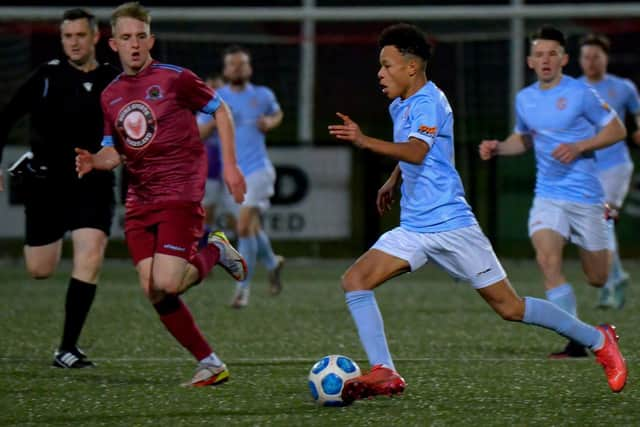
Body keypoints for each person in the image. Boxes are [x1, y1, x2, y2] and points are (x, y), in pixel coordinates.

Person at [328, 23, 627, 403]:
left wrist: (364, 141)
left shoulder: (428, 101)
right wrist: (393, 179)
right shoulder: (400, 104)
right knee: (355, 280)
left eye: (387, 65)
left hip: (453, 225)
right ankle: (385, 370)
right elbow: (416, 150)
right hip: (415, 228)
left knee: (511, 308)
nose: (380, 73)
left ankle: (599, 340)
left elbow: (418, 150)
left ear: (412, 67)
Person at [74, 2, 247, 387]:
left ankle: (214, 250)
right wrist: (96, 161)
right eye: (125, 38)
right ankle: (210, 363)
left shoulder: (176, 79)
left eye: (140, 37)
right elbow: (113, 149)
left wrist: (232, 166)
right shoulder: (110, 95)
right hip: (139, 200)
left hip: (180, 191)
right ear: (113, 44)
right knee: (153, 290)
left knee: (167, 283)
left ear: (150, 40)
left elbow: (221, 111)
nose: (133, 45)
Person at [480, 25, 628, 359]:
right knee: (547, 260)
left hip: (587, 197)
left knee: (597, 278)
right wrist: (499, 147)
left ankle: (604, 225)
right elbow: (525, 138)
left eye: (552, 54)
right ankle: (578, 340)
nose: (545, 60)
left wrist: (579, 145)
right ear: (530, 61)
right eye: (539, 54)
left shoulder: (580, 94)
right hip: (548, 194)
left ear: (563, 58)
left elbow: (617, 129)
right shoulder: (525, 98)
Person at [0, 8, 120, 369]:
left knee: (92, 252)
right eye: (67, 36)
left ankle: (67, 348)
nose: (73, 43)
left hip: (93, 181)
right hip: (47, 184)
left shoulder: (113, 80)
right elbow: (6, 117)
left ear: (95, 37)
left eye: (80, 35)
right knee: (40, 269)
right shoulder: (48, 75)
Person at [217, 45, 285, 308]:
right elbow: (199, 133)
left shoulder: (262, 94)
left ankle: (242, 290)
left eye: (241, 64)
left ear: (249, 68)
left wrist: (271, 122)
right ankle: (272, 261)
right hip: (232, 173)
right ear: (225, 70)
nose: (237, 68)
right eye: (232, 64)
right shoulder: (215, 98)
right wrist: (220, 120)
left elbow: (278, 113)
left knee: (244, 226)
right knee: (250, 228)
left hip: (258, 170)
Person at [578, 33, 640, 309]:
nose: (591, 62)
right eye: (586, 57)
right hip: (587, 168)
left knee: (603, 219)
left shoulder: (623, 88)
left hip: (616, 165)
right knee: (592, 226)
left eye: (596, 57)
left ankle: (610, 285)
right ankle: (615, 277)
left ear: (606, 59)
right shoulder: (572, 89)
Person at [197, 73, 238, 245]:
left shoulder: (233, 107)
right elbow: (199, 134)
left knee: (236, 216)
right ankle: (203, 254)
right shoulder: (204, 110)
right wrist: (215, 122)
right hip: (211, 168)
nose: (214, 91)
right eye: (211, 87)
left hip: (233, 169)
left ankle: (242, 255)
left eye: (218, 88)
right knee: (207, 213)